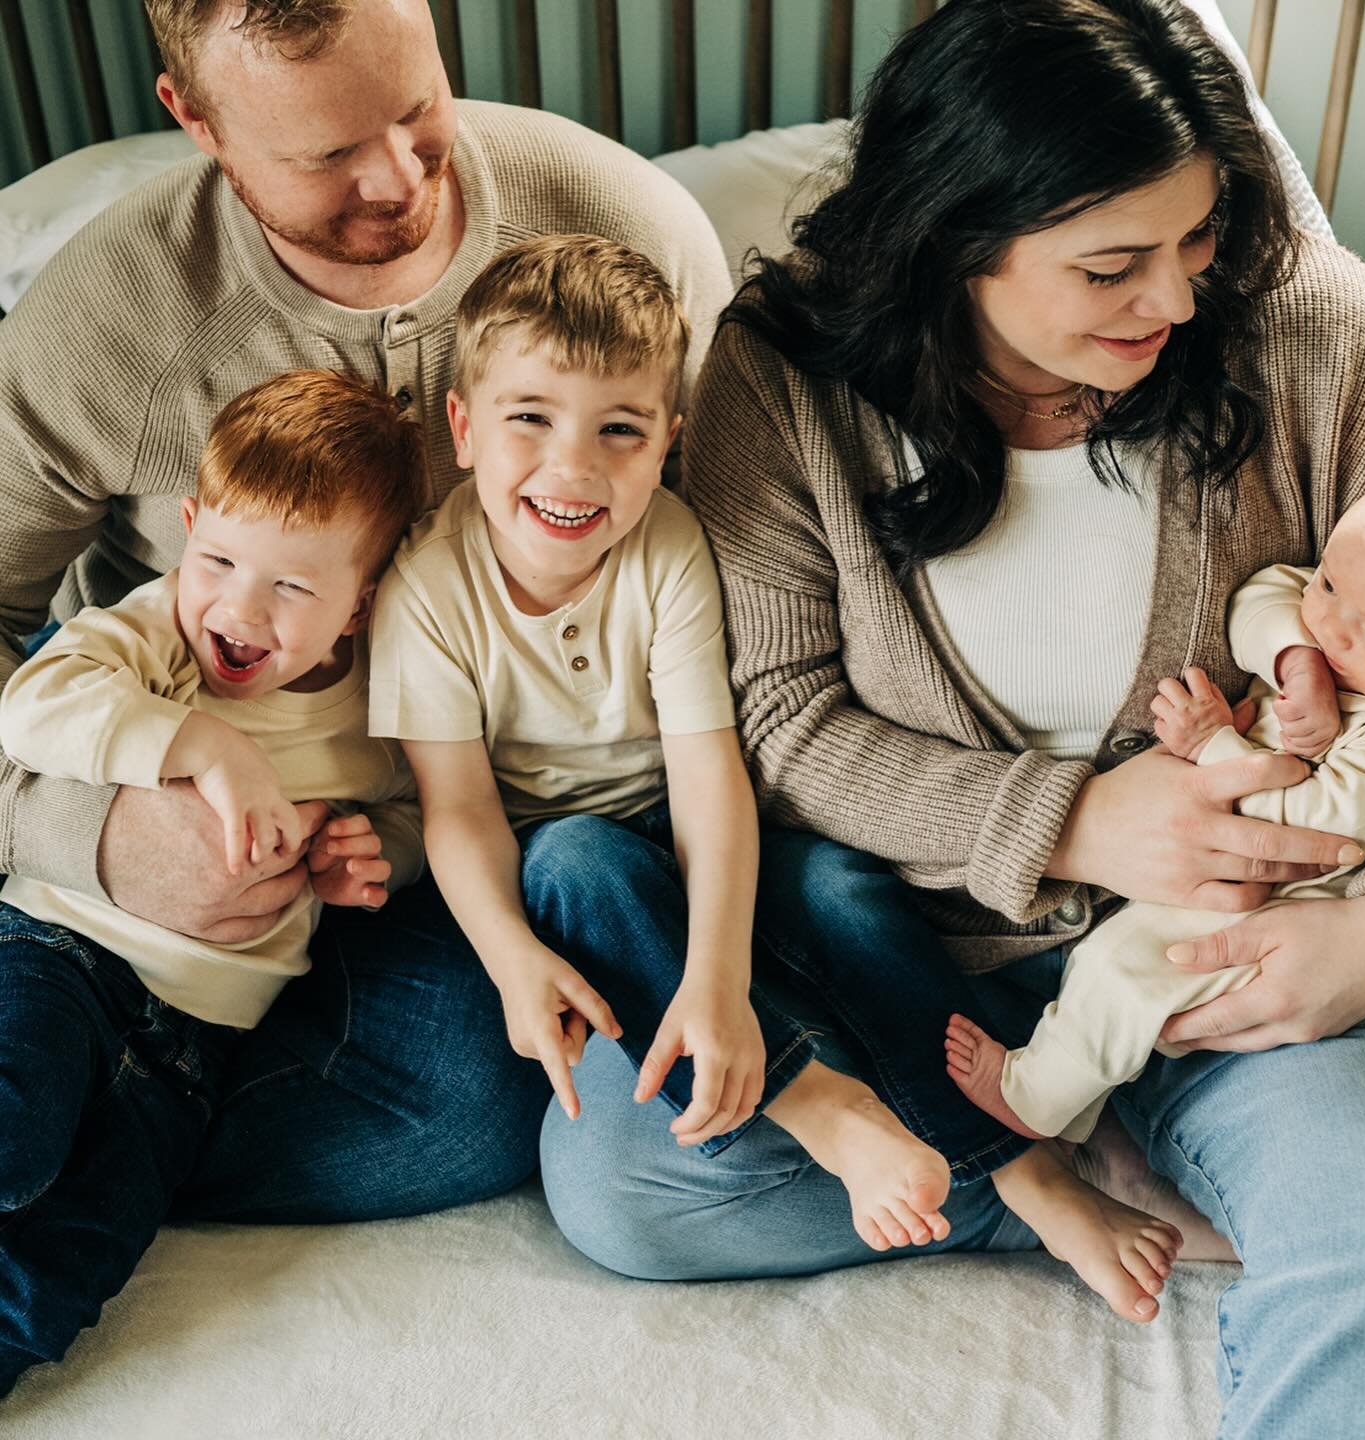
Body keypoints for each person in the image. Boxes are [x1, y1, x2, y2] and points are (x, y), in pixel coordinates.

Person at [535, 2, 1365, 1433]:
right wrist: (1074, 824)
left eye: (1198, 244)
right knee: (625, 1186)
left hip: (1247, 956)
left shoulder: (1312, 334)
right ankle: (1050, 1189)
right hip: (917, 961)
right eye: (1113, 265)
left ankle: (1176, 1166)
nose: (1177, 301)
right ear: (960, 236)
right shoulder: (783, 382)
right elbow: (775, 720)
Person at [0, 0, 731, 1226]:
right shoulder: (103, 324)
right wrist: (88, 833)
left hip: (413, 857)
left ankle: (110, 1139)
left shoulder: (626, 230)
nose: (397, 179)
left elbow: (745, 568)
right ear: (196, 120)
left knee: (491, 1095)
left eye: (416, 110)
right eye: (324, 154)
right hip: (133, 808)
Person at [373, 232, 1104, 1256]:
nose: (572, 467)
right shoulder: (427, 591)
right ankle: (823, 1108)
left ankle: (1020, 1159)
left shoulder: (666, 543)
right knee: (578, 859)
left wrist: (717, 978)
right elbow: (458, 810)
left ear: (670, 440)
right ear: (462, 426)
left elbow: (707, 775)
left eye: (619, 430)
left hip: (698, 831)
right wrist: (510, 961)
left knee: (841, 889)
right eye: (528, 419)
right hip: (567, 875)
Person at [0, 369, 425, 1390]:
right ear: (188, 526)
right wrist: (200, 744)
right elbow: (27, 707)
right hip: (59, 951)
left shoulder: (386, 705)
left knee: (61, 1271)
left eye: (291, 587)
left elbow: (417, 810)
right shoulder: (157, 633)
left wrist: (376, 855)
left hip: (198, 1048)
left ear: (361, 605)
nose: (238, 607)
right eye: (219, 559)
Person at [946, 463, 1365, 1143]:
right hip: (1206, 868)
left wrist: (1213, 745)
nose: (1331, 626)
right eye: (1328, 582)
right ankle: (1084, 1116)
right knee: (1112, 974)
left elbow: (1313, 823)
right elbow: (1265, 593)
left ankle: (1033, 1100)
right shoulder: (1346, 612)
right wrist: (1295, 659)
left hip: (1277, 902)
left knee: (1124, 974)